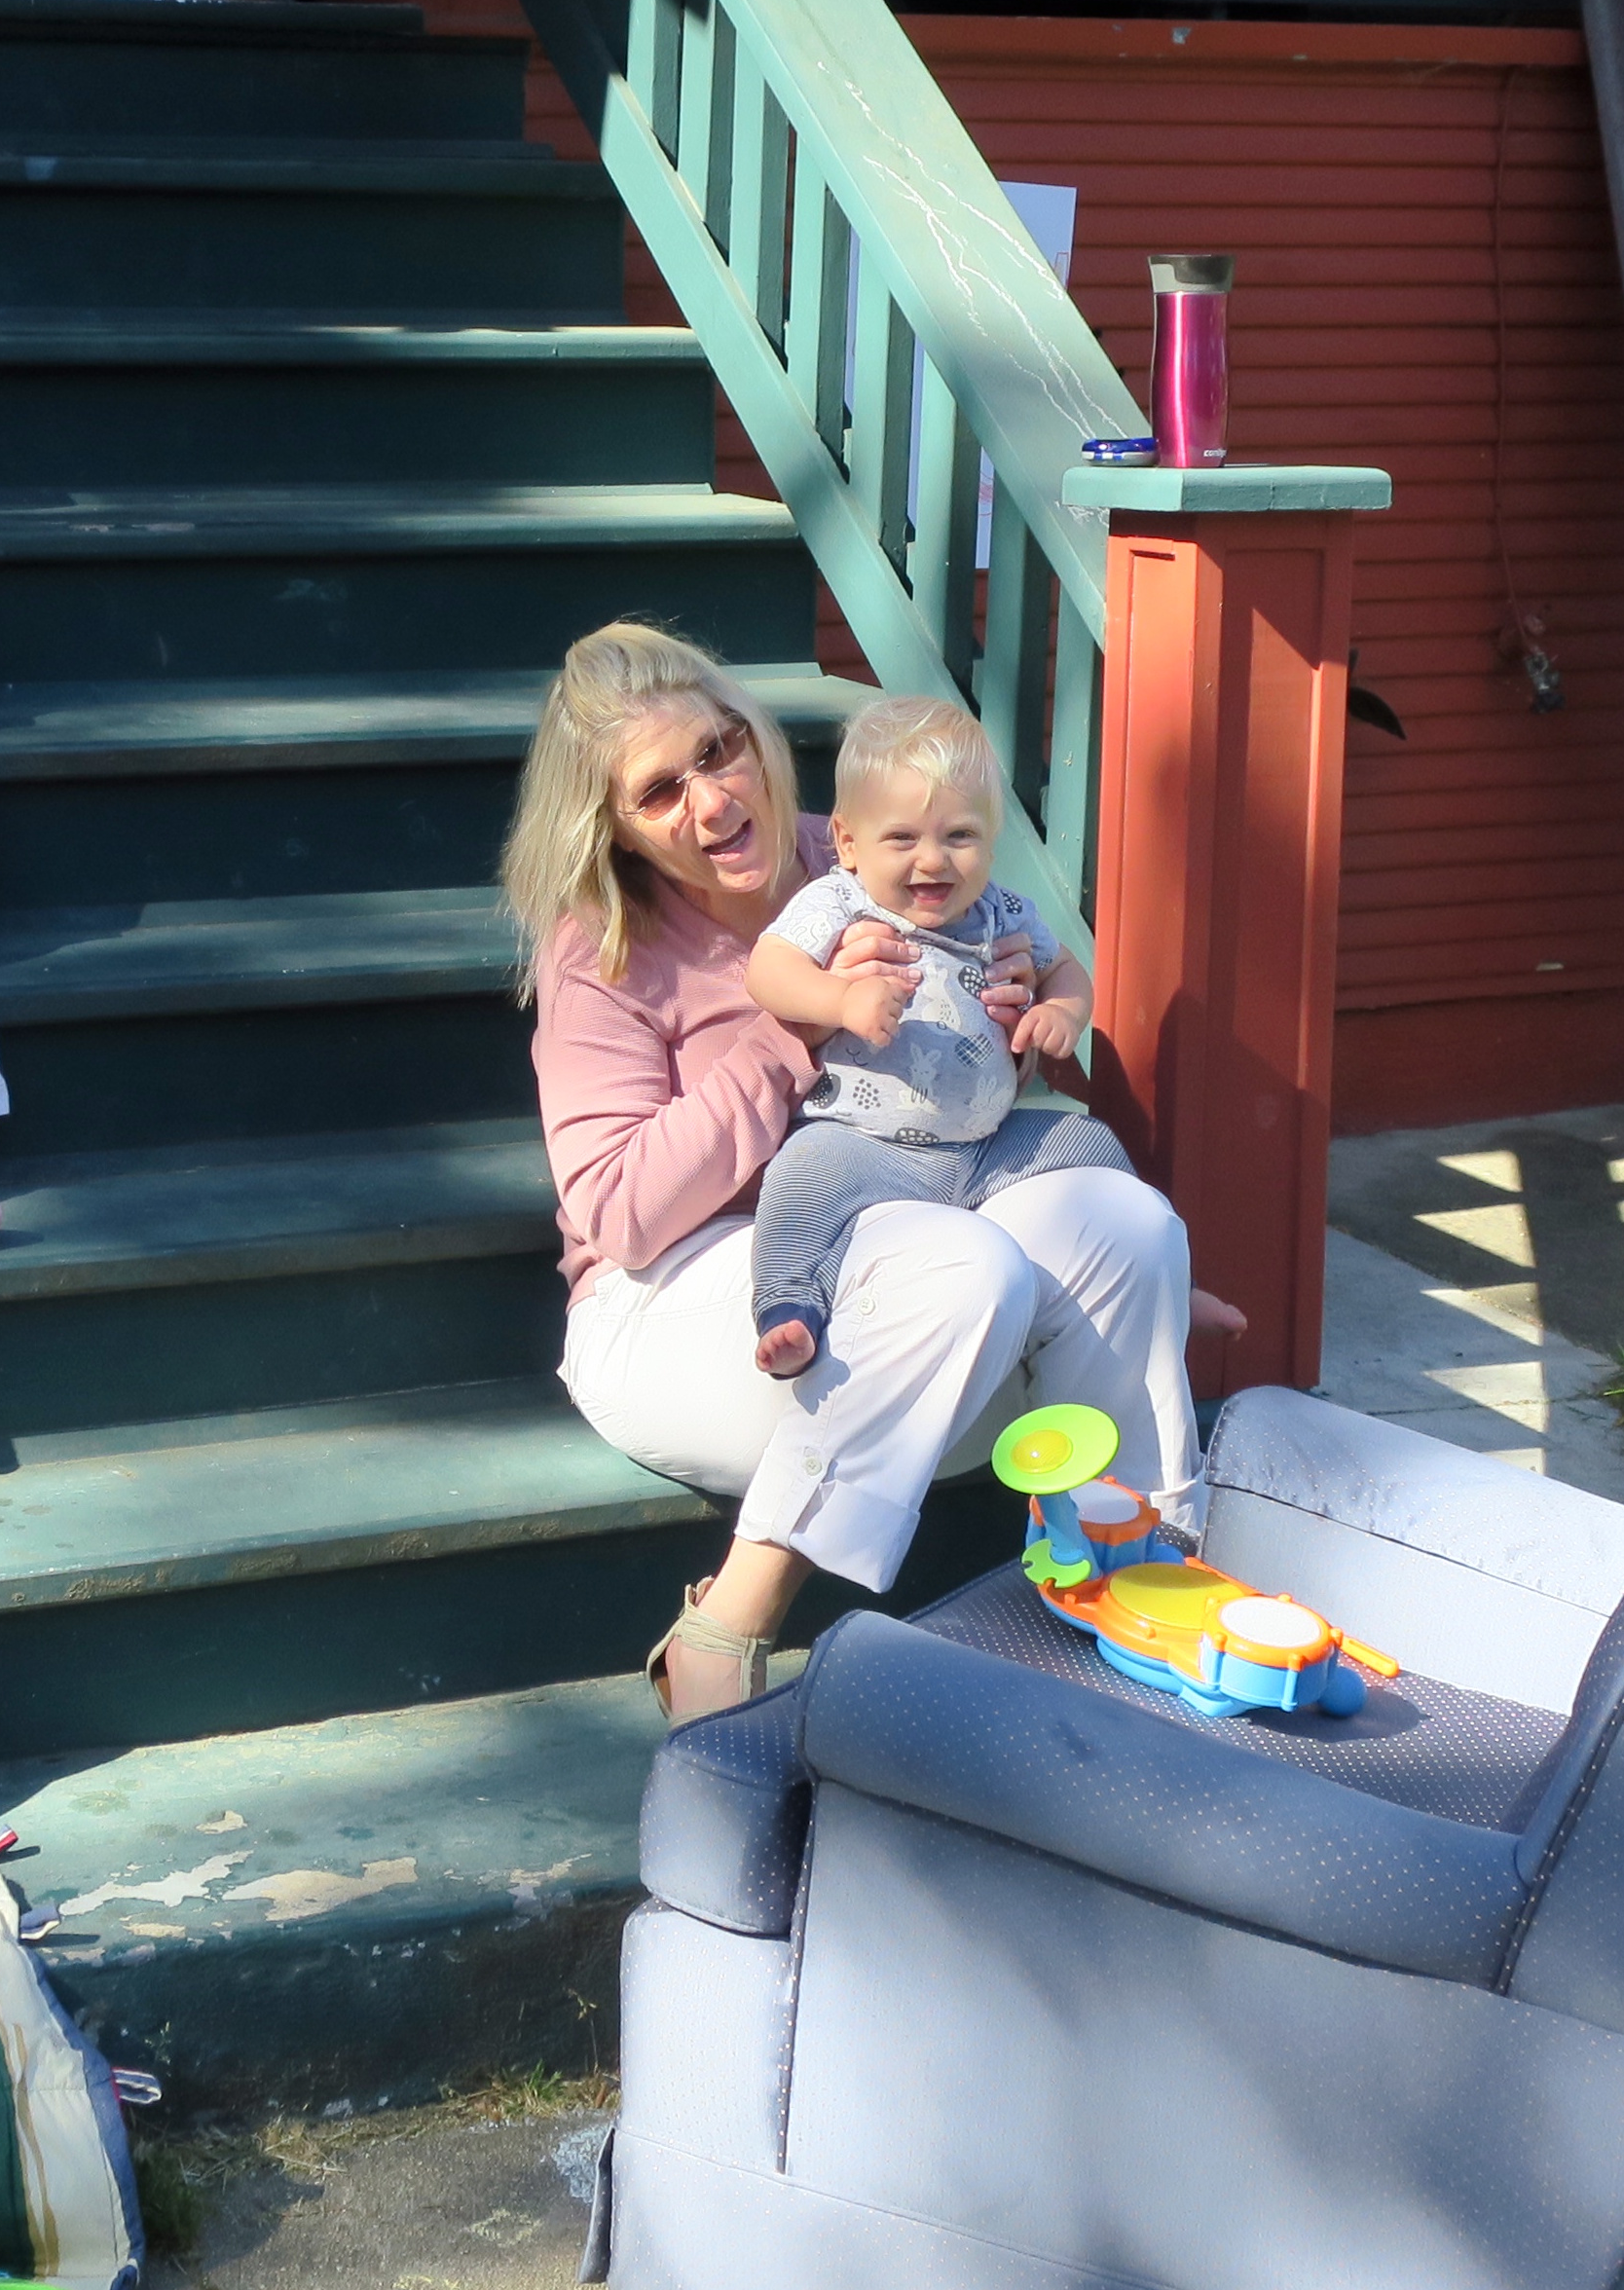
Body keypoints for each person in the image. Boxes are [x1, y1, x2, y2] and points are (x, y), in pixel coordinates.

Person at [507, 622, 1225, 1722]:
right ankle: (728, 1622)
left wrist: (1010, 1009)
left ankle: (1134, 1580)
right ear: (613, 827)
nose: (713, 799)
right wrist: (797, 1027)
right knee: (961, 1263)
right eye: (659, 791)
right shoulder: (600, 946)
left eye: (718, 750)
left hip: (913, 1254)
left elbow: (980, 1060)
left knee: (1122, 1225)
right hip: (690, 1299)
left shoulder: (870, 845)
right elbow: (619, 1212)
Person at [741, 695, 1131, 1379]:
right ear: (848, 842)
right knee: (800, 1177)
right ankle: (789, 1305)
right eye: (902, 838)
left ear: (991, 839)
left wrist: (1062, 1013)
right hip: (864, 1145)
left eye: (960, 836)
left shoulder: (1000, 910)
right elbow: (768, 970)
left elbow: (1065, 968)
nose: (934, 860)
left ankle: (1162, 1280)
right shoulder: (839, 901)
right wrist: (840, 997)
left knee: (1093, 1144)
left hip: (987, 1147)